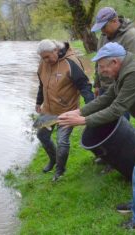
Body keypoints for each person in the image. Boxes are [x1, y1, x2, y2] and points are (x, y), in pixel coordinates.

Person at [58, 42, 135, 232]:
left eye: (102, 66)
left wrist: (84, 120)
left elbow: (117, 108)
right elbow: (106, 98)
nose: (100, 71)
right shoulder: (124, 70)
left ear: (115, 62)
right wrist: (79, 111)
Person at [35, 39, 94, 181]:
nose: (45, 60)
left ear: (56, 50)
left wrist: (91, 106)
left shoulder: (71, 62)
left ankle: (60, 171)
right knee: (42, 136)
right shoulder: (44, 63)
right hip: (48, 110)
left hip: (67, 111)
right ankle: (54, 159)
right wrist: (39, 102)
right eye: (42, 58)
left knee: (62, 141)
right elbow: (41, 84)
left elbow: (85, 86)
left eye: (47, 57)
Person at [91, 6, 135, 97]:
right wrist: (97, 85)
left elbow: (133, 67)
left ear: (114, 21)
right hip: (104, 88)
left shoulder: (131, 36)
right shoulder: (103, 35)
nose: (102, 30)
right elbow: (99, 62)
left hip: (121, 90)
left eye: (104, 27)